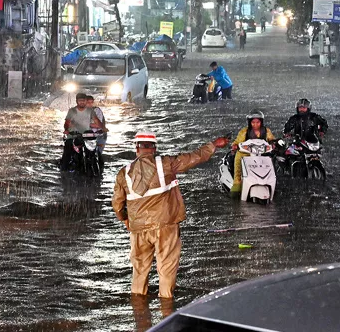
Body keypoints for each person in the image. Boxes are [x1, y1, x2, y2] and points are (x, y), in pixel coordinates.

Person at [111, 130, 230, 298]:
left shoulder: (124, 173)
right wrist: (214, 145)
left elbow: (117, 203)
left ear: (136, 148)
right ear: (154, 148)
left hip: (138, 229)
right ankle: (166, 309)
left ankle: (139, 312)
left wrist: (124, 219)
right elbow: (194, 157)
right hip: (165, 227)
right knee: (166, 269)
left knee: (139, 271)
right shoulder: (166, 164)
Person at [230, 110, 276, 196]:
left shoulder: (266, 131)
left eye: (258, 122)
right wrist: (235, 146)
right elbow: (237, 141)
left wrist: (274, 143)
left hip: (261, 155)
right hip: (244, 155)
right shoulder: (244, 131)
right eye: (253, 122)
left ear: (261, 122)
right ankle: (236, 186)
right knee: (238, 170)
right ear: (249, 123)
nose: (255, 125)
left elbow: (272, 139)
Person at [60, 93, 94, 171]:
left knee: (94, 150)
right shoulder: (72, 111)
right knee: (67, 152)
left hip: (86, 136)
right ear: (77, 101)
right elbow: (67, 123)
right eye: (80, 100)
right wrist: (67, 129)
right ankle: (63, 170)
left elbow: (95, 122)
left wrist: (101, 128)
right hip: (73, 135)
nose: (82, 102)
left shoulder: (90, 111)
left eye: (83, 100)